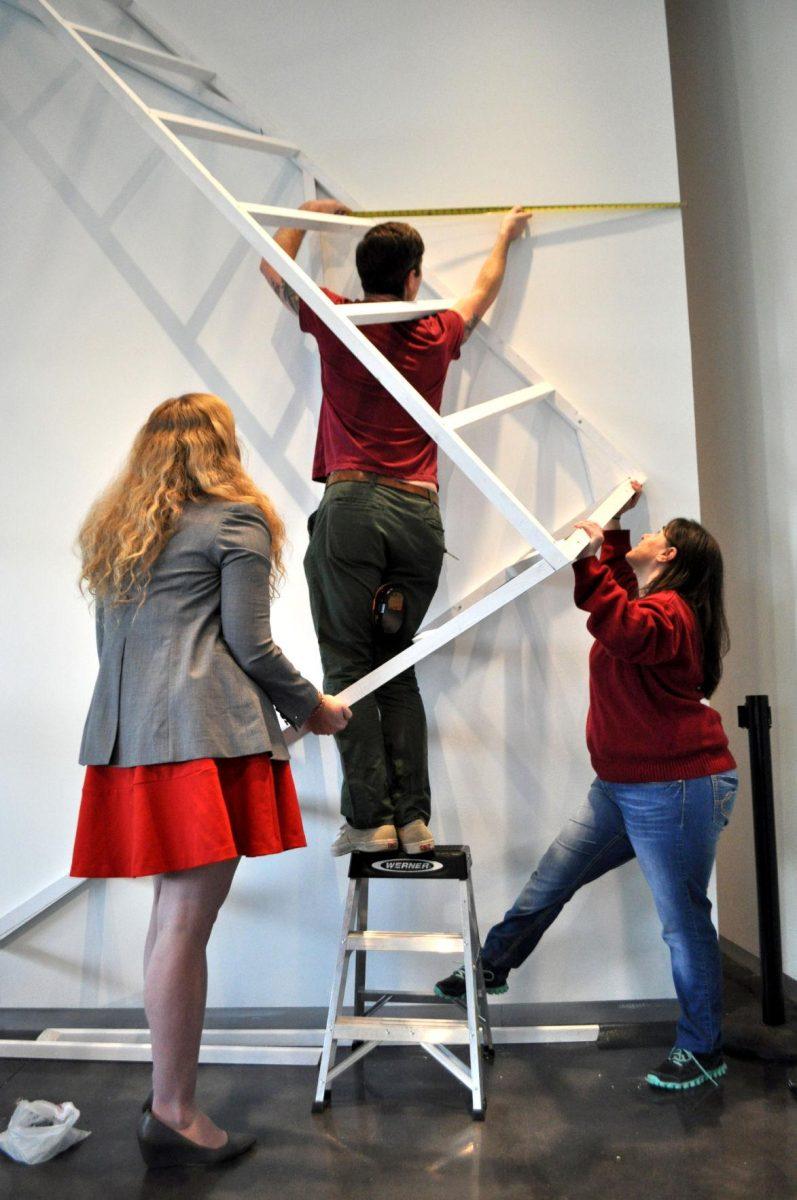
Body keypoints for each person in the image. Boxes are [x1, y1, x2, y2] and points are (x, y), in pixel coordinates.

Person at [70, 393, 351, 1168]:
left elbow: (113, 651)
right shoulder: (235, 520)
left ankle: (168, 1098)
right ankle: (175, 1110)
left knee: (170, 922)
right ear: (220, 449)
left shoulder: (121, 531)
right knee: (185, 926)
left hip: (135, 741)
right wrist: (317, 708)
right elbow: (252, 646)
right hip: (203, 743)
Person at [436, 483, 739, 1091]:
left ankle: (703, 1049)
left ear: (672, 556)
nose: (647, 539)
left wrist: (586, 559)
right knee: (554, 876)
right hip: (623, 786)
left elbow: (623, 625)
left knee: (683, 923)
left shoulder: (672, 616)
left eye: (656, 536)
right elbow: (626, 607)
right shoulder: (657, 606)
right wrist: (617, 535)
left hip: (677, 789)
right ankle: (491, 968)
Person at [260, 200, 532, 856]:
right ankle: (413, 819)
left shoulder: (340, 318)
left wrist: (303, 213)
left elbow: (271, 267)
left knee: (351, 664)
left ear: (362, 278)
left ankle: (368, 819)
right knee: (397, 665)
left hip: (353, 512)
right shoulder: (436, 329)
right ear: (413, 278)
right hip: (417, 517)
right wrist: (504, 235)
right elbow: (481, 291)